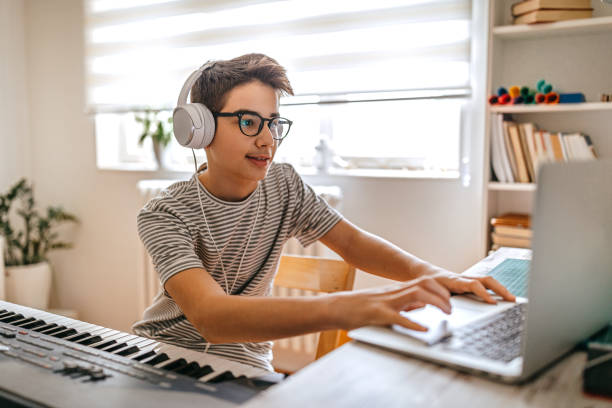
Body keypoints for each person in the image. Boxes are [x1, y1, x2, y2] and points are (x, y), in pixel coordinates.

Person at [132, 53, 515, 371]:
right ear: (199, 129)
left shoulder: (283, 184)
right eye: (249, 122)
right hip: (166, 358)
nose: (267, 140)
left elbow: (352, 242)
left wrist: (434, 273)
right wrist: (347, 309)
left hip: (247, 369)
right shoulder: (164, 214)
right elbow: (212, 318)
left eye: (274, 123)